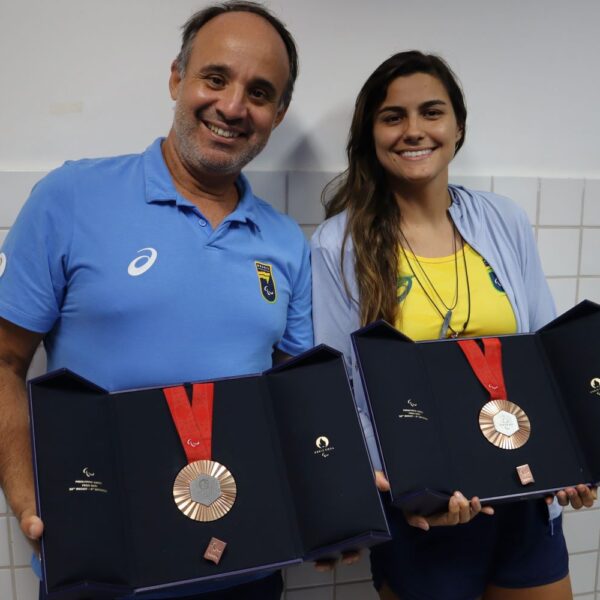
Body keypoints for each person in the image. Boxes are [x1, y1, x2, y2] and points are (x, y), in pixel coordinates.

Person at [0, 2, 312, 599]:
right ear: (177, 77)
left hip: (246, 568)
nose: (232, 106)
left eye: (260, 92)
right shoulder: (71, 197)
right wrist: (26, 498)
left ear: (278, 113)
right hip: (102, 567)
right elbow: (5, 360)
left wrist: (328, 503)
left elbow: (295, 392)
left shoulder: (284, 241)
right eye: (215, 78)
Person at [311, 50, 595, 600]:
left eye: (431, 112)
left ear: (457, 126)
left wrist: (573, 460)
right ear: (370, 132)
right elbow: (343, 391)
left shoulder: (502, 219)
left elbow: (544, 348)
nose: (413, 130)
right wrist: (409, 494)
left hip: (523, 494)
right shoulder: (338, 245)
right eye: (393, 116)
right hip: (428, 513)